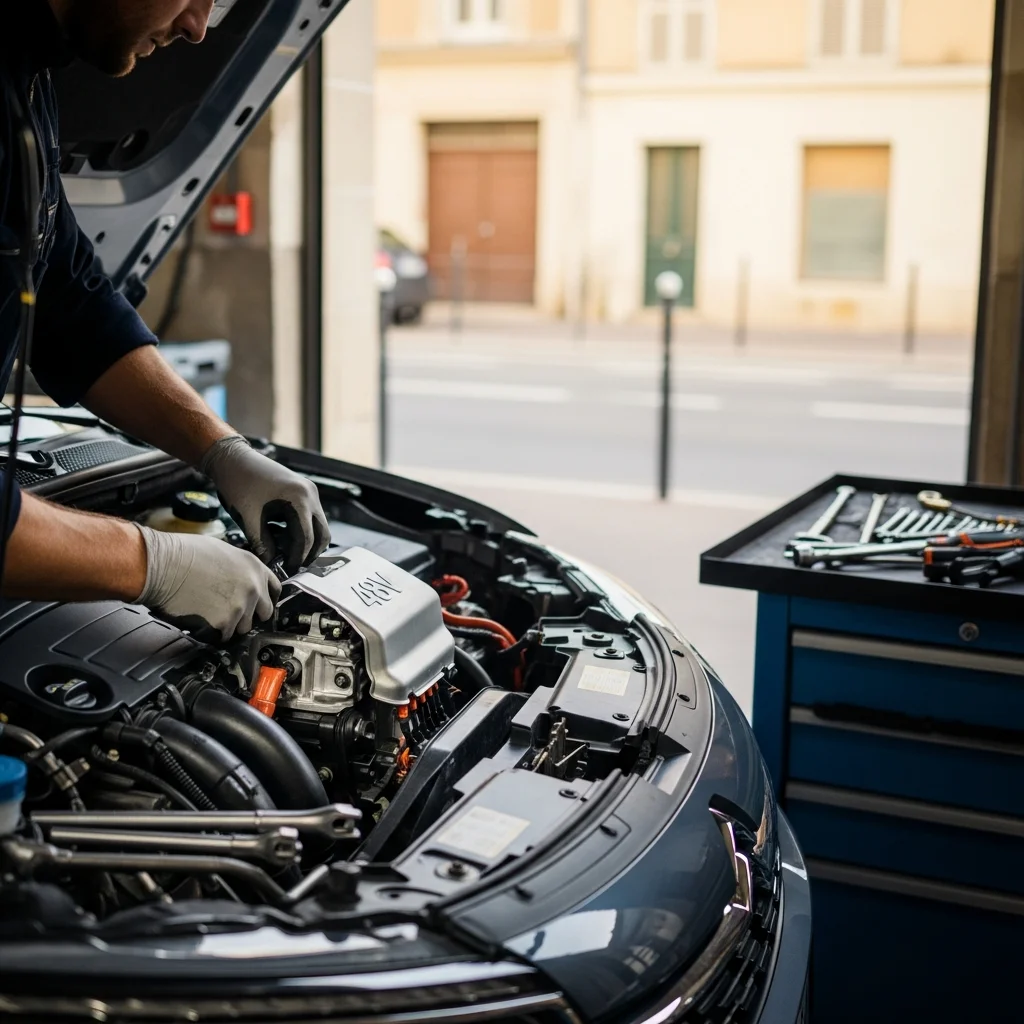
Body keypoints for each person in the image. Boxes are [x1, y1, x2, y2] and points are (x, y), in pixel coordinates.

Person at [0, 0, 330, 639]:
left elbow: (69, 291)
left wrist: (221, 449)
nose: (198, 26)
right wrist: (154, 562)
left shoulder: (26, 71)